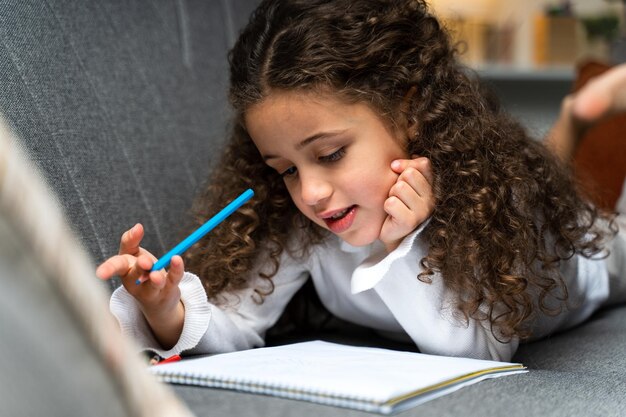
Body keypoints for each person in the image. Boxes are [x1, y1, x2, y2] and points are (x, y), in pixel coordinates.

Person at [96, 0, 625, 362]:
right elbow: (238, 320)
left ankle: (579, 115)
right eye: (285, 170)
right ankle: (577, 117)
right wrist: (168, 310)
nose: (311, 192)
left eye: (330, 154)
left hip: (584, 257)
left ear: (410, 111)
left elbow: (479, 351)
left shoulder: (498, 200)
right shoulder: (307, 221)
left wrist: (403, 243)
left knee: (601, 224)